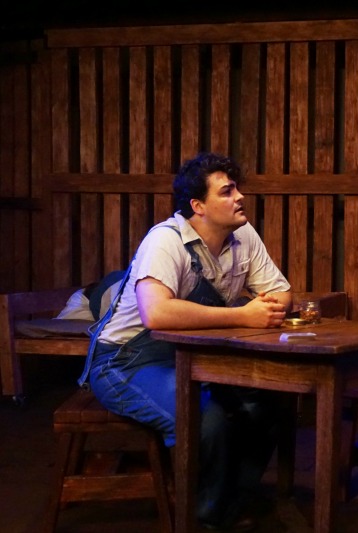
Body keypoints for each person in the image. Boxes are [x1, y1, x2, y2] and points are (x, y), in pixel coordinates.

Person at [78, 152, 292, 531]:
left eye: (237, 188)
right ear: (198, 206)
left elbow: (280, 292)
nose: (239, 197)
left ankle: (228, 501)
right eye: (227, 192)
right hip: (126, 361)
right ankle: (201, 519)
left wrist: (264, 309)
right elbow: (156, 314)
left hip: (191, 357)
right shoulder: (166, 241)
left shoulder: (243, 235)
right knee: (204, 416)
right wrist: (243, 315)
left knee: (267, 400)